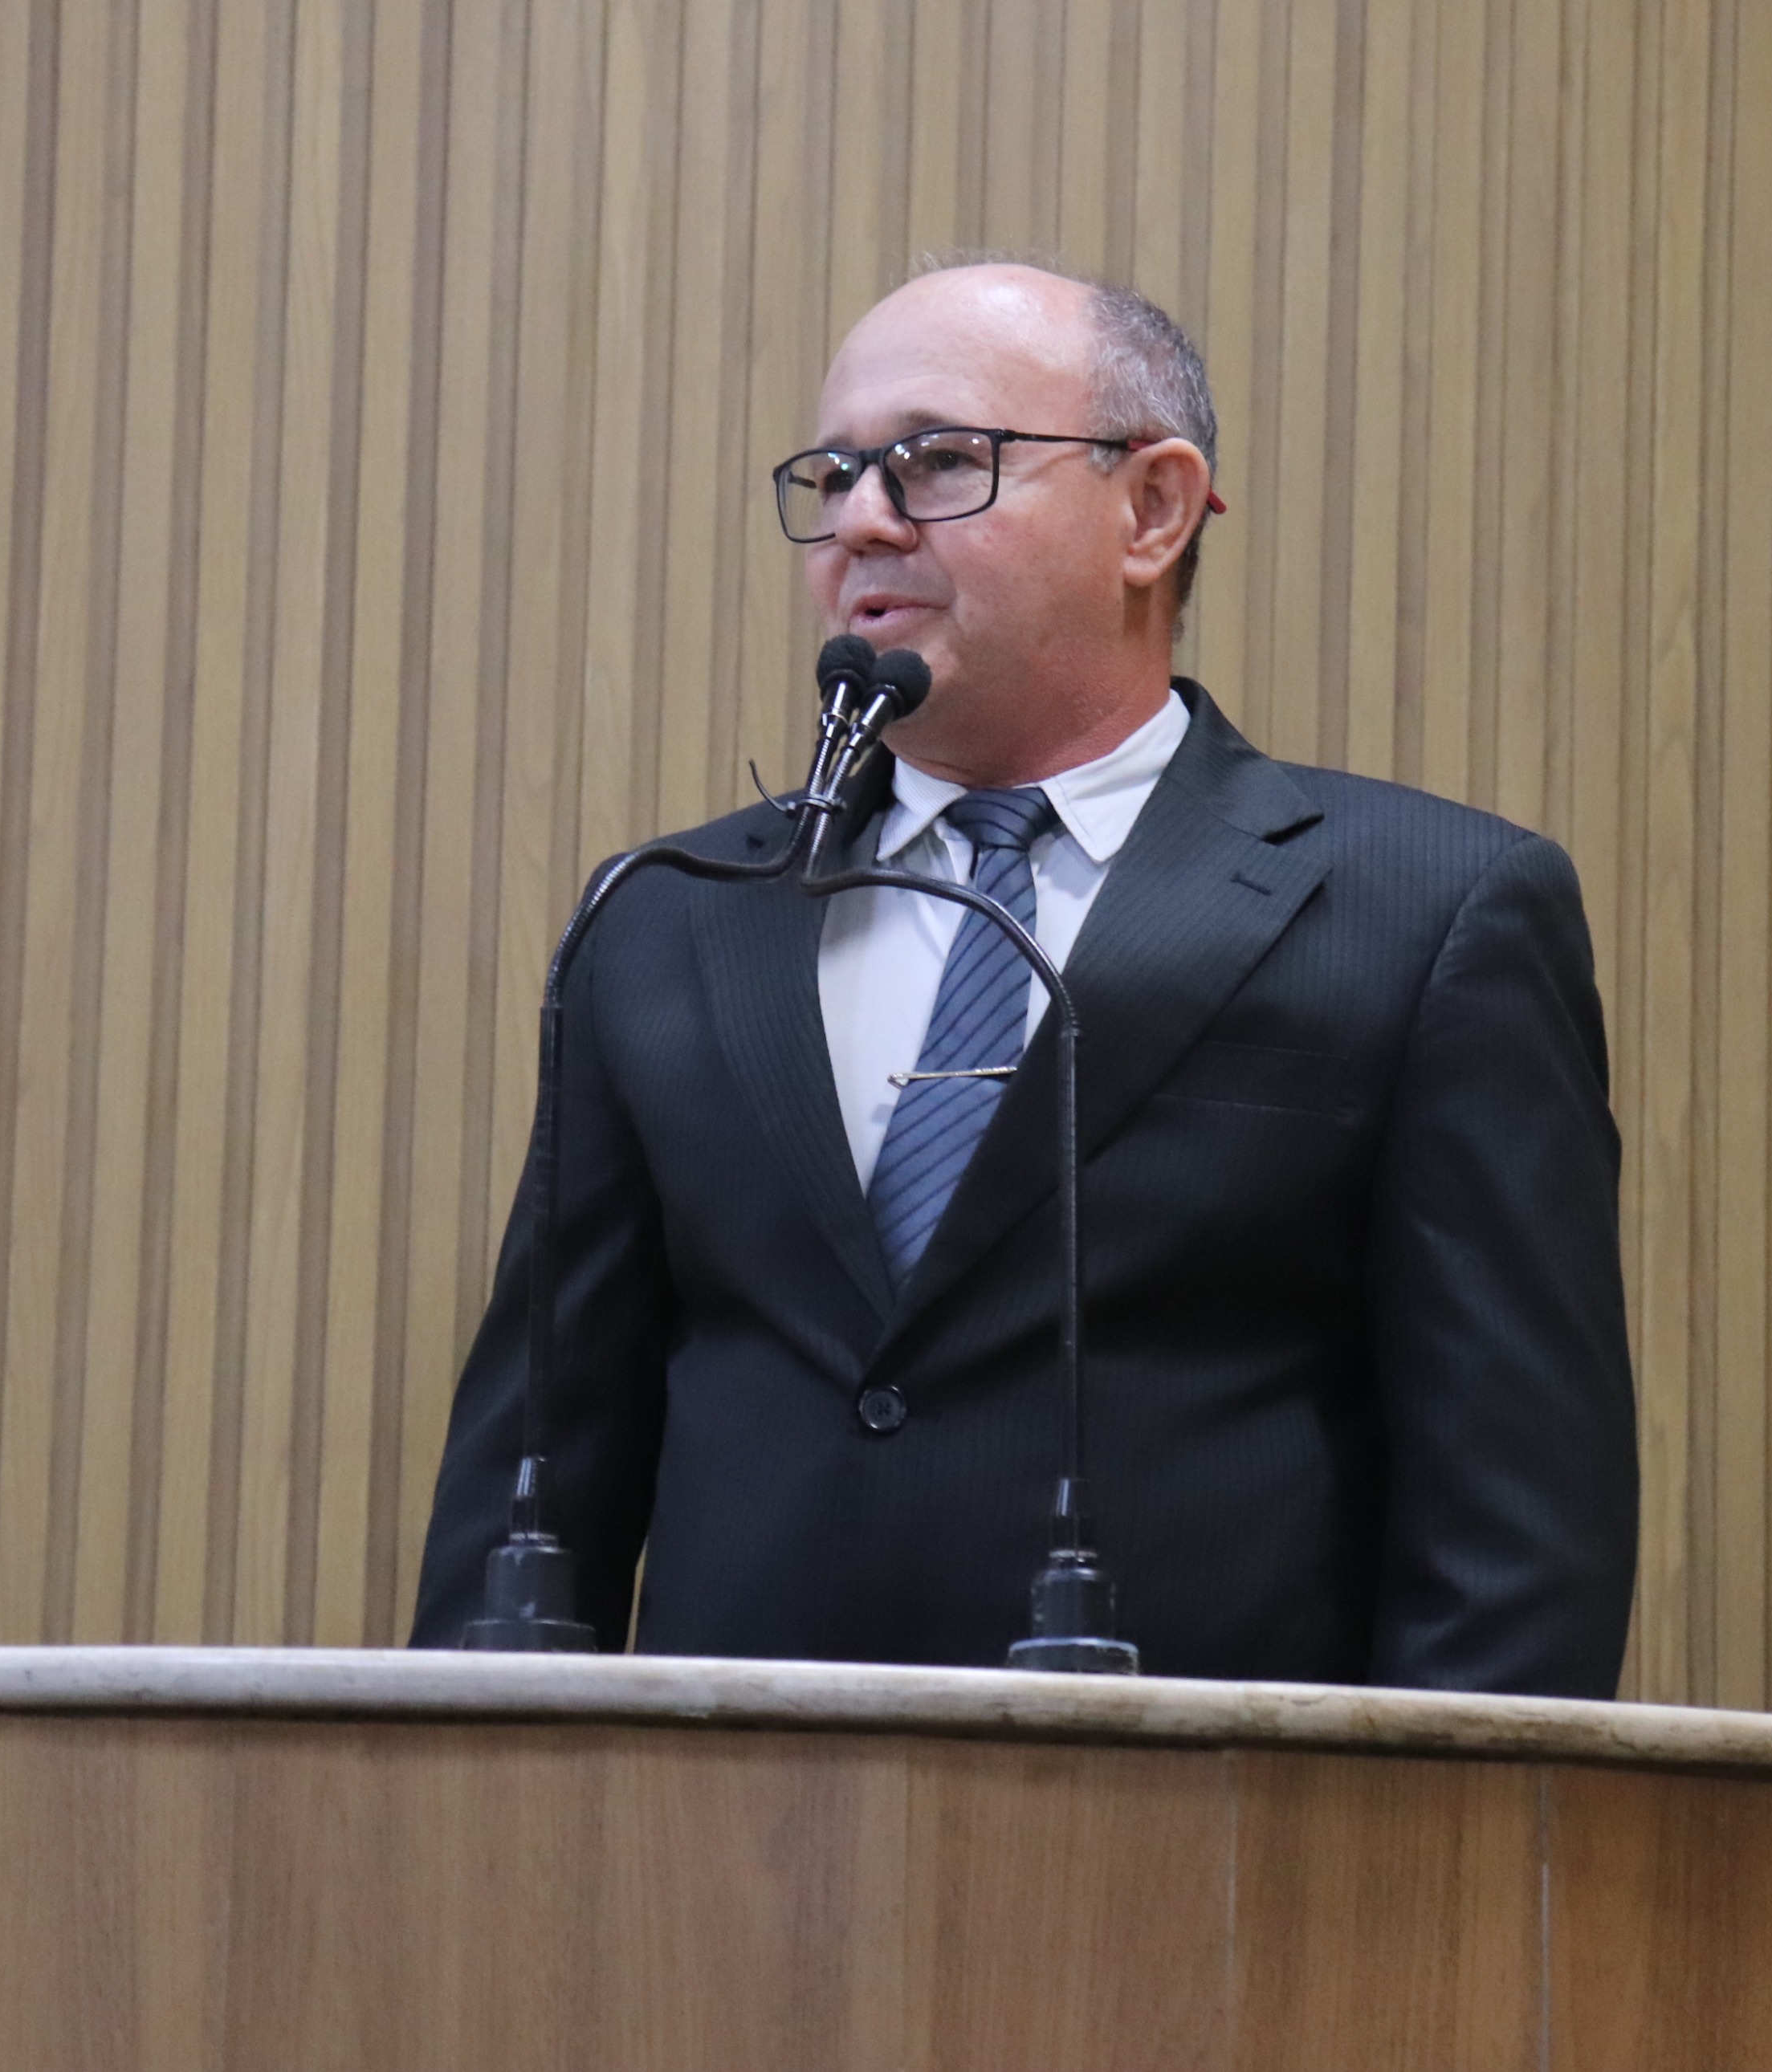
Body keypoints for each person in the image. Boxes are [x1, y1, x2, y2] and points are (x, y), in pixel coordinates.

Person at [409, 260, 1636, 1693]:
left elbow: (1515, 1530)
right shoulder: (669, 916)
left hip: (1205, 1813)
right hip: (727, 1810)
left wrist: (1442, 1832)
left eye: (938, 460)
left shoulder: (1428, 912)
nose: (862, 520)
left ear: (1153, 509)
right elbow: (534, 1472)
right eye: (835, 473)